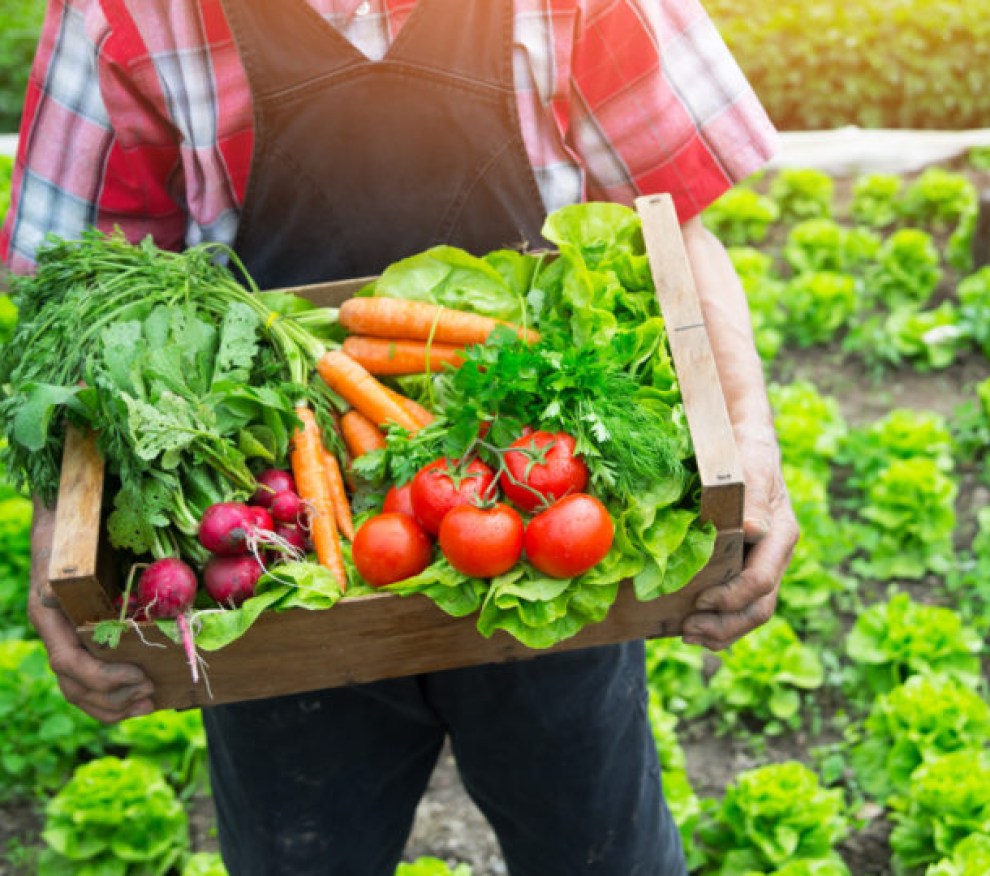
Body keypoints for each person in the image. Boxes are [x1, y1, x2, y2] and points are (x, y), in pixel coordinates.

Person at [4, 1, 798, 873]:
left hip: (543, 526)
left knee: (598, 847)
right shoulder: (122, 12)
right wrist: (64, 544)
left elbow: (672, 221)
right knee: (300, 853)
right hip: (286, 559)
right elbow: (79, 313)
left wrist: (752, 455)